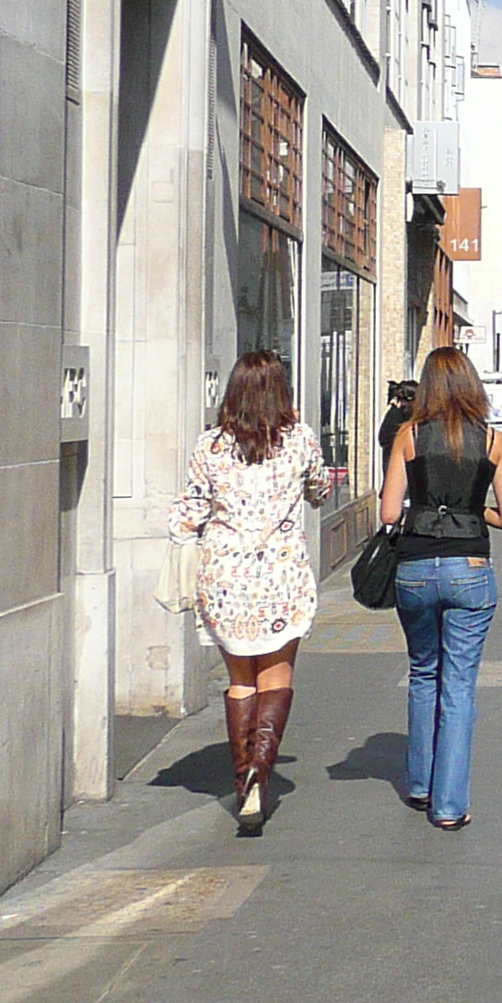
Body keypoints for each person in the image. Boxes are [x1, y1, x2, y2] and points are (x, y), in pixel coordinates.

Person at [172, 350, 328, 833]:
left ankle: (244, 781)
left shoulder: (210, 447)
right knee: (276, 676)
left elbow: (188, 514)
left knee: (242, 679)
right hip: (281, 577)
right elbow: (320, 491)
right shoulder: (299, 441)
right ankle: (261, 770)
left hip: (225, 580)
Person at [380, 345, 502, 828]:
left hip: (416, 567)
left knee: (423, 672)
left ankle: (419, 784)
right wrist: (470, 510)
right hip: (470, 568)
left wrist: (429, 508)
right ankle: (449, 806)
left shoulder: (409, 435)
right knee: (458, 686)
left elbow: (388, 513)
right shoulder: (492, 441)